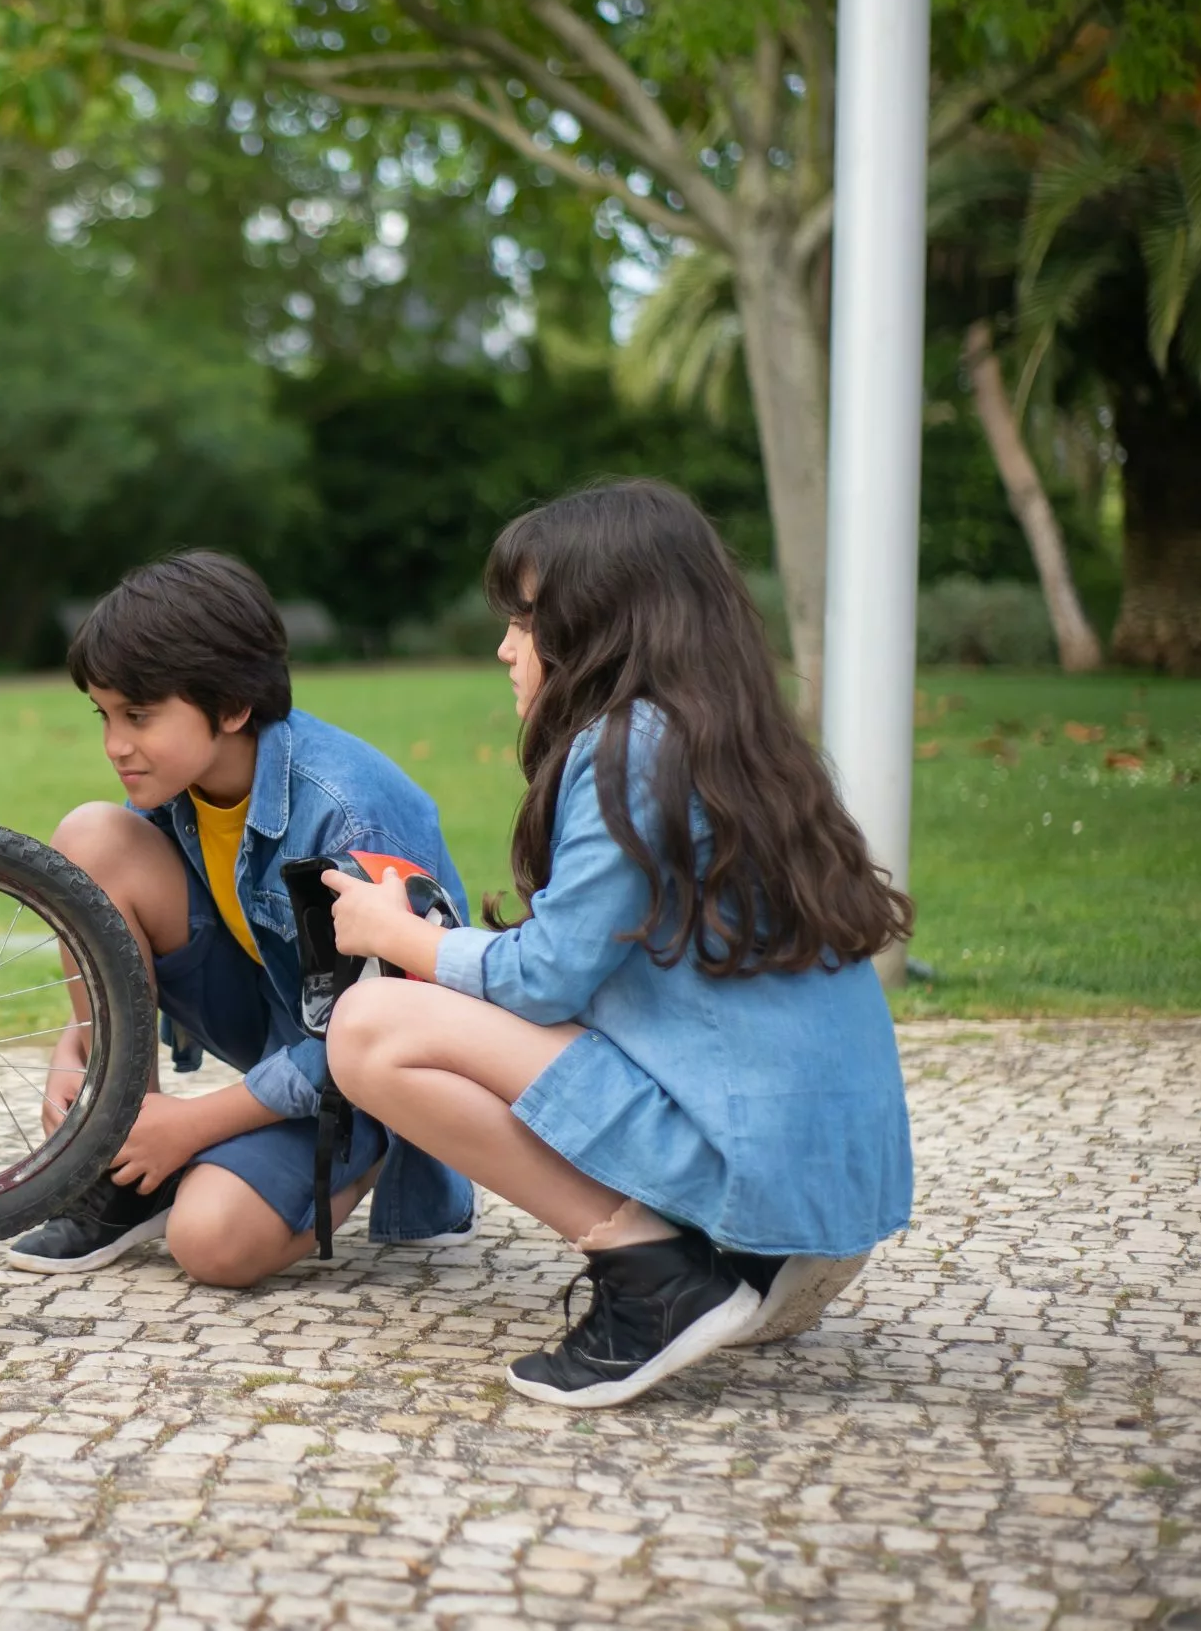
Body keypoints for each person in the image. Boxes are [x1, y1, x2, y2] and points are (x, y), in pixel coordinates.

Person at [317, 480, 914, 1408]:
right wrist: (448, 946)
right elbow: (600, 967)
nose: (506, 646)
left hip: (756, 1187)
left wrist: (399, 938)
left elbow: (549, 978)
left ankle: (656, 1275)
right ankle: (711, 1259)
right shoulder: (733, 737)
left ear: (601, 620)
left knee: (367, 1028)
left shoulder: (627, 745)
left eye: (525, 617)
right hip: (823, 1196)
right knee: (427, 1003)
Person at [8, 552, 477, 1284]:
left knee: (212, 1243)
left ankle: (376, 1150)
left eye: (139, 715)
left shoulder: (349, 814)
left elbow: (378, 1029)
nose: (115, 744)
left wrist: (195, 1124)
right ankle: (127, 1169)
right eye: (104, 714)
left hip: (368, 1057)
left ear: (230, 708)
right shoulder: (179, 782)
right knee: (91, 838)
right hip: (275, 1014)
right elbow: (126, 941)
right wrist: (86, 1046)